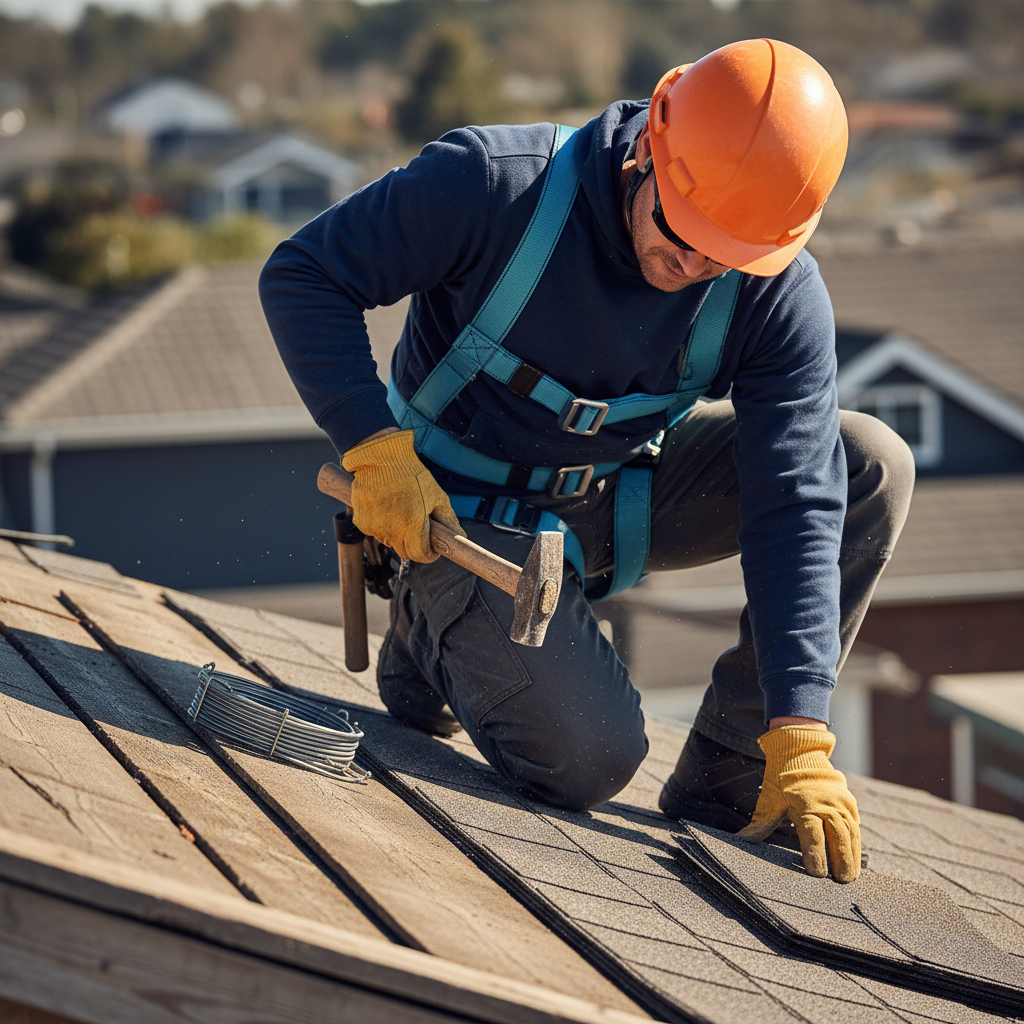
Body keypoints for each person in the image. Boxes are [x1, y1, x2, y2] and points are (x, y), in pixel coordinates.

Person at [259, 38, 915, 884]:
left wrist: (798, 725)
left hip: (607, 502)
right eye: (683, 233)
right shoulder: (495, 185)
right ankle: (429, 634)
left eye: (729, 254)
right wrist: (373, 449)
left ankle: (732, 776)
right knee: (591, 760)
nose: (695, 269)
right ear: (649, 149)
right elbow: (305, 274)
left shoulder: (774, 292)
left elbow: (798, 498)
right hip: (449, 516)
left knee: (867, 462)